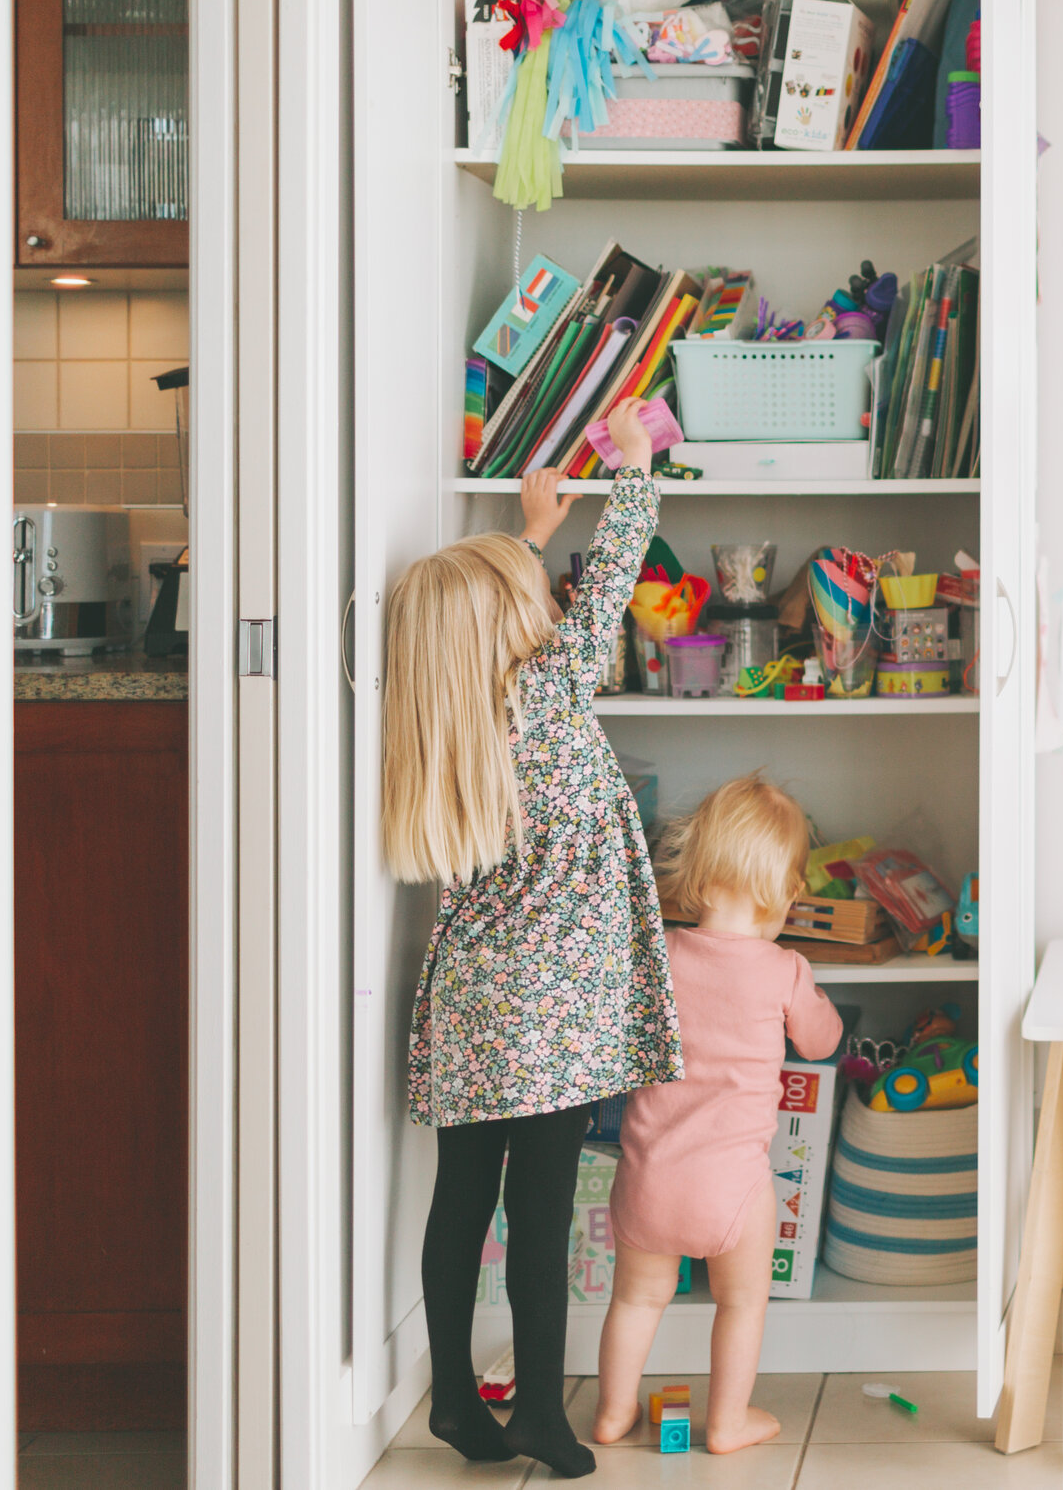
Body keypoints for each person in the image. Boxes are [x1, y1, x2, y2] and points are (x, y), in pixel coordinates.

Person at [381, 398, 672, 1479]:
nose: (550, 606)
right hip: (552, 1016)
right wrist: (632, 468)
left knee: (462, 1196)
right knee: (539, 1216)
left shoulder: (441, 723)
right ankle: (542, 1414)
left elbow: (467, 612)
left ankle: (456, 1396)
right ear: (516, 629)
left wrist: (529, 533)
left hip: (471, 1003)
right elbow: (605, 594)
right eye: (530, 597)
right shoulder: (549, 694)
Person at [591, 774, 843, 1452]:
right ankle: (727, 1421)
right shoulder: (782, 968)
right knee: (740, 1303)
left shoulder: (661, 954)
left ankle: (613, 1411)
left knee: (636, 1300)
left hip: (647, 1178)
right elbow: (823, 1041)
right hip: (732, 1189)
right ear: (787, 892)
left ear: (696, 869)